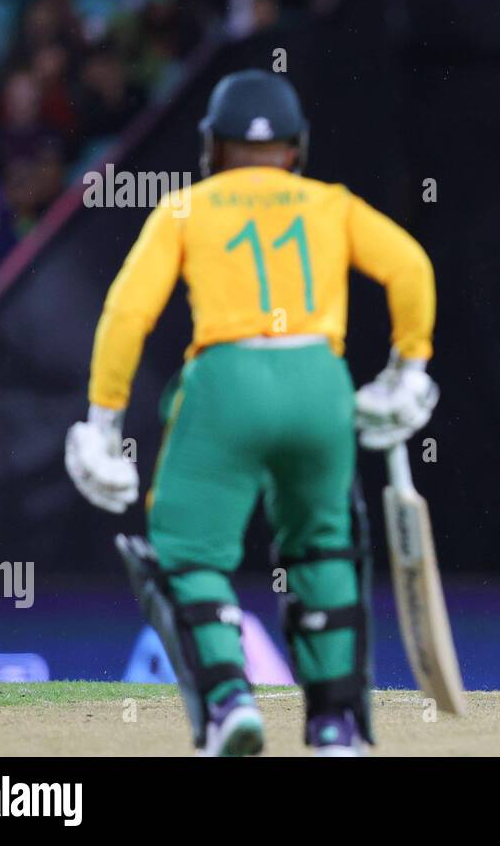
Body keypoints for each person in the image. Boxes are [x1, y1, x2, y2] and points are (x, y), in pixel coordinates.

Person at [64, 70, 438, 755]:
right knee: (322, 545)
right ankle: (333, 725)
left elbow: (126, 312)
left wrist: (102, 422)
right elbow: (411, 267)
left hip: (226, 380)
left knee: (186, 550)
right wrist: (406, 370)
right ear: (294, 146)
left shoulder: (185, 208)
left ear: (213, 144)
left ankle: (229, 699)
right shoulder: (330, 203)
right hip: (319, 382)